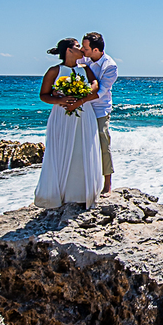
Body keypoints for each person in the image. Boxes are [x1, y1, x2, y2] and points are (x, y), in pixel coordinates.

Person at [33, 38, 102, 208]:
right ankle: (60, 194)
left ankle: (81, 193)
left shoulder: (85, 69)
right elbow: (44, 95)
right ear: (69, 51)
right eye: (78, 46)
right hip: (62, 115)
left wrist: (84, 94)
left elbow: (95, 84)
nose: (81, 49)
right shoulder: (55, 71)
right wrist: (62, 100)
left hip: (84, 115)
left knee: (82, 149)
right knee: (61, 149)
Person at [79, 31, 119, 194]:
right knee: (81, 144)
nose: (82, 50)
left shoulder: (110, 66)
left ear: (96, 50)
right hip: (82, 107)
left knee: (103, 142)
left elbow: (101, 91)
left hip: (99, 108)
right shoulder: (84, 58)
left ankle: (107, 182)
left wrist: (79, 101)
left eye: (85, 47)